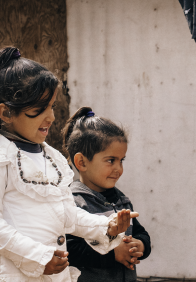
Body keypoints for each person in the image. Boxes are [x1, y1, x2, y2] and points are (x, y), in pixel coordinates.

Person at [0, 47, 138, 282]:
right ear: (6, 113)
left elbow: (66, 215)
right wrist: (38, 257)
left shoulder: (52, 158)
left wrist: (106, 226)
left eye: (52, 107)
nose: (51, 117)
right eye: (39, 110)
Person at [63, 107, 151, 282]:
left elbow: (141, 233)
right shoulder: (72, 202)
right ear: (81, 162)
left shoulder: (121, 199)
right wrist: (112, 254)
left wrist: (140, 245)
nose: (119, 169)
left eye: (121, 160)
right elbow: (69, 249)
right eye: (111, 160)